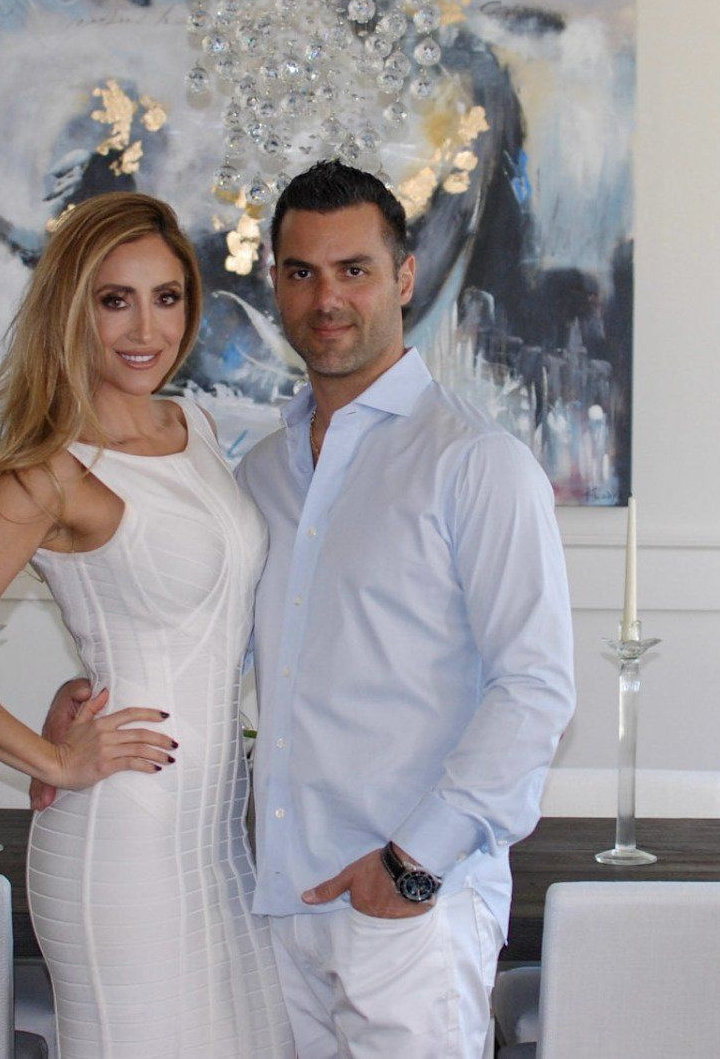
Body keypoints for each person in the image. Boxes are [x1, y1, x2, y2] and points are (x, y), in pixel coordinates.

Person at [39, 162, 576, 1057]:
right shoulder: (259, 473)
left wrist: (412, 868)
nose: (326, 298)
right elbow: (212, 646)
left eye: (354, 270)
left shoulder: (476, 467)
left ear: (404, 279)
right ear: (275, 284)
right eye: (301, 272)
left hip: (411, 907)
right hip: (278, 905)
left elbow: (536, 690)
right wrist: (82, 697)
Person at [0, 191, 292, 1058]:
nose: (146, 328)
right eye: (116, 300)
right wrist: (55, 759)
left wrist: (77, 688)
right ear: (75, 309)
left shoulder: (198, 426)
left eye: (167, 296)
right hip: (122, 845)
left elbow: (194, 616)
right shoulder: (48, 474)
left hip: (222, 839)